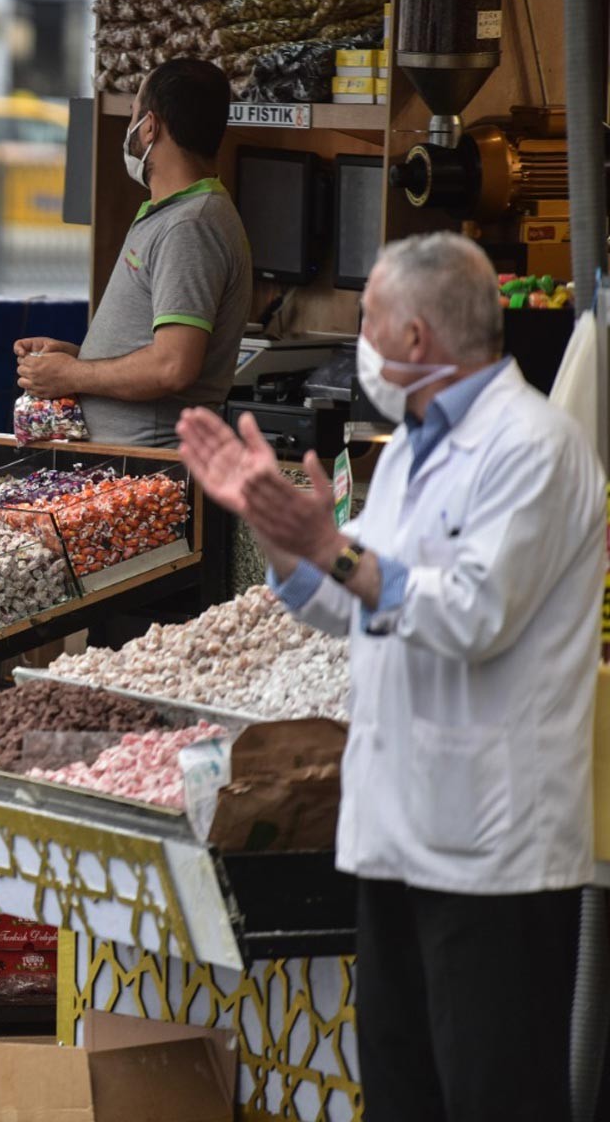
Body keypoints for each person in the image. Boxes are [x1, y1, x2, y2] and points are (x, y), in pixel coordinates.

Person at [175, 232, 601, 1122]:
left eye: (365, 321)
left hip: (494, 850)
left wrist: (334, 546)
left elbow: (473, 616)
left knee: (493, 1096)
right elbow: (361, 605)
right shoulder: (408, 449)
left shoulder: (534, 447)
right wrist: (297, 554)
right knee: (403, 1092)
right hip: (395, 829)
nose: (357, 343)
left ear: (413, 338)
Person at [14, 58, 251, 447]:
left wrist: (72, 375)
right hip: (124, 467)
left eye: (132, 116)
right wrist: (78, 358)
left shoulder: (190, 226)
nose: (128, 130)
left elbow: (173, 367)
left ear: (150, 127)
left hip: (150, 472)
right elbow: (154, 350)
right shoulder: (174, 213)